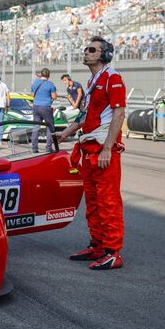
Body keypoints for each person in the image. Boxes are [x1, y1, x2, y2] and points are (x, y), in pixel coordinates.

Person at [56, 37, 125, 270]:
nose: (86, 52)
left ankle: (112, 252)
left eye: (92, 50)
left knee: (108, 202)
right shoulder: (93, 80)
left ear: (105, 55)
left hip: (104, 151)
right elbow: (84, 115)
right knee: (93, 202)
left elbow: (119, 114)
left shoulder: (112, 78)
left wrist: (108, 148)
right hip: (88, 149)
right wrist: (65, 133)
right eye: (85, 49)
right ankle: (97, 245)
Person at [30, 68, 58, 153]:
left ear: (41, 74)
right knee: (50, 127)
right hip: (45, 107)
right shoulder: (50, 84)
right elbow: (54, 97)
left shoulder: (34, 83)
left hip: (35, 107)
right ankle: (48, 148)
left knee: (36, 127)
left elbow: (32, 95)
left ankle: (34, 148)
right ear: (49, 75)